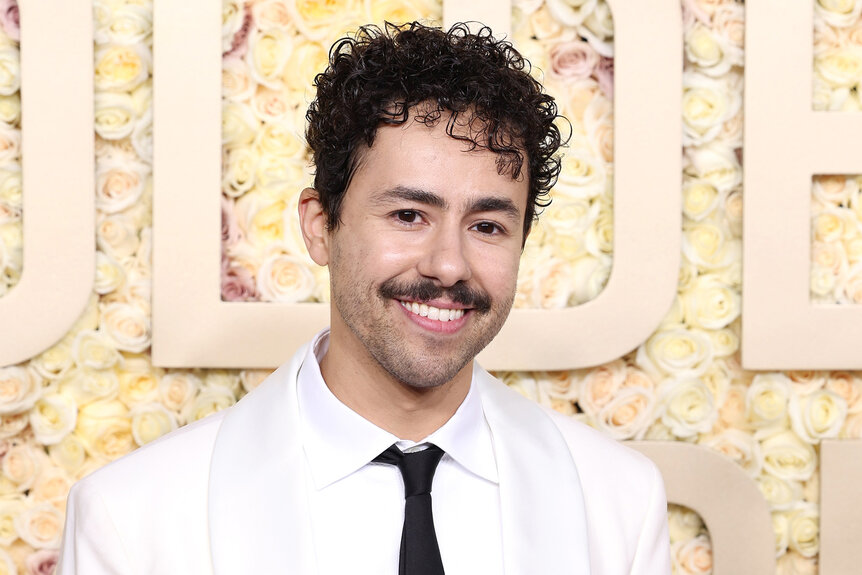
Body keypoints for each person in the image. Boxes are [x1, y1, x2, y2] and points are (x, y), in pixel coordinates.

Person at [58, 22, 670, 575]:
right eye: (409, 215)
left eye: (487, 226)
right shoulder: (131, 519)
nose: (449, 265)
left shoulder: (619, 500)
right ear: (321, 226)